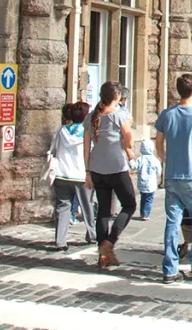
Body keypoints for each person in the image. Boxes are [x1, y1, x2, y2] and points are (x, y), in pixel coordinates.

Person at [155, 73, 192, 283]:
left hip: (172, 174)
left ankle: (169, 268)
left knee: (173, 221)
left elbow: (158, 144)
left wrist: (166, 159)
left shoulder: (167, 114)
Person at [83, 81, 137, 268]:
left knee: (104, 211)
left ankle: (102, 255)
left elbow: (86, 147)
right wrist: (128, 140)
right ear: (116, 97)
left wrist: (87, 172)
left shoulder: (91, 116)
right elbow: (129, 142)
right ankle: (110, 241)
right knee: (129, 204)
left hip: (97, 167)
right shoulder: (119, 115)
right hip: (115, 166)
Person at [50, 102, 95, 251]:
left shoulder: (61, 130)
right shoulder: (87, 132)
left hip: (62, 174)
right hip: (81, 175)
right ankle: (91, 235)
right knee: (87, 206)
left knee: (63, 207)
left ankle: (60, 241)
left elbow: (53, 149)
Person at [131, 139, 162, 221]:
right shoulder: (154, 160)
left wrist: (131, 161)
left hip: (142, 183)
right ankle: (146, 214)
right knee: (149, 199)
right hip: (151, 184)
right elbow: (158, 171)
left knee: (143, 198)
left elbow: (134, 167)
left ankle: (142, 213)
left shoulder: (140, 159)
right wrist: (158, 176)